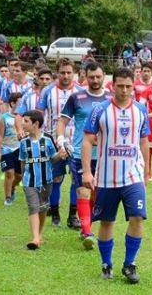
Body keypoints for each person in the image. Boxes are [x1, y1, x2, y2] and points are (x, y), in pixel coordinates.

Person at [82, 67, 151, 284]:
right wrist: (86, 171)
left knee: (138, 217)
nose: (124, 90)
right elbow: (87, 140)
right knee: (106, 222)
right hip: (105, 178)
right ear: (113, 86)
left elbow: (144, 141)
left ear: (133, 86)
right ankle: (106, 264)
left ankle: (129, 264)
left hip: (133, 176)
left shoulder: (140, 110)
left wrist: (147, 172)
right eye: (120, 86)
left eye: (128, 86)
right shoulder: (100, 110)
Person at [57, 61, 113, 249]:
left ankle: (85, 224)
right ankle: (87, 232)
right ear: (84, 76)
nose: (95, 80)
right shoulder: (77, 97)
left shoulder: (112, 98)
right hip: (81, 153)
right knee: (83, 189)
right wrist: (60, 140)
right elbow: (62, 121)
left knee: (96, 195)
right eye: (91, 77)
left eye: (98, 76)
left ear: (104, 75)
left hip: (106, 155)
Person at [37, 58, 83, 229]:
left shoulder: (81, 92)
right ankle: (54, 211)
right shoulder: (48, 91)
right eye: (62, 72)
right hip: (53, 141)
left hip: (76, 142)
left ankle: (73, 215)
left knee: (76, 179)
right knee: (56, 178)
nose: (65, 76)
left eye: (69, 72)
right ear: (57, 73)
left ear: (74, 73)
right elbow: (39, 114)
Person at [19, 109, 60, 250]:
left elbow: (53, 158)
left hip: (46, 181)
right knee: (33, 207)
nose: (22, 124)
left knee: (43, 208)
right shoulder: (24, 142)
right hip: (29, 181)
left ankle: (39, 234)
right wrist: (22, 177)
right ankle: (35, 238)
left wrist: (61, 155)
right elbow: (23, 161)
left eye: (26, 121)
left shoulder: (48, 140)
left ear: (35, 124)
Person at [0, 92, 24, 206]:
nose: (23, 105)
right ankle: (8, 197)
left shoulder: (25, 118)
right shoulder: (4, 117)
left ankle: (13, 187)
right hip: (6, 148)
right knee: (9, 172)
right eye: (20, 102)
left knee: (19, 176)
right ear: (12, 103)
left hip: (20, 149)